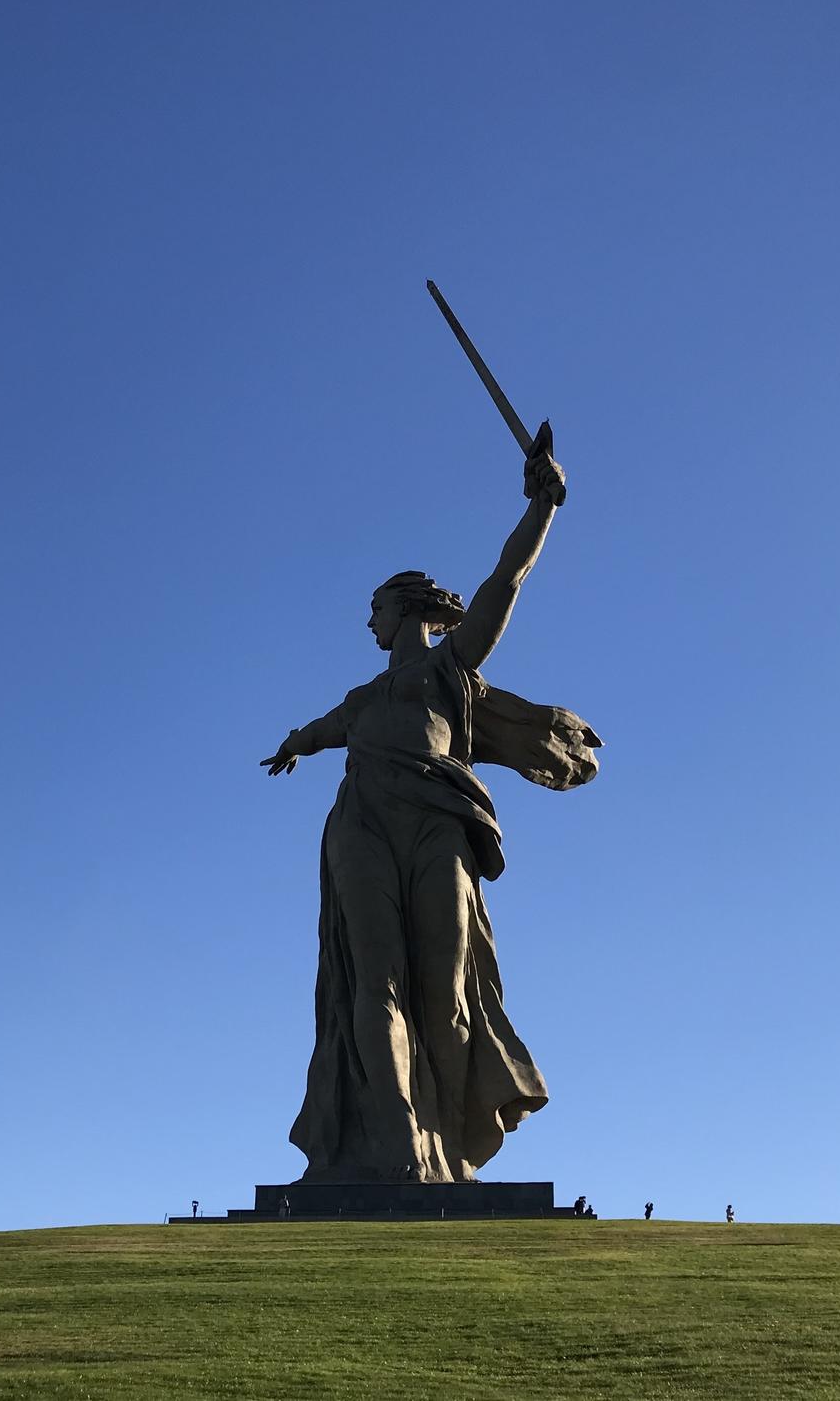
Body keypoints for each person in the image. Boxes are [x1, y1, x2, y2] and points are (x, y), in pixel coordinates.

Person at [263, 433, 596, 1183]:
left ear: (404, 608)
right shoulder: (361, 699)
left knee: (446, 993)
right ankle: (395, 1144)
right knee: (374, 981)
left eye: (374, 609)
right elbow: (324, 729)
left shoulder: (451, 667)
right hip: (362, 826)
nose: (368, 623)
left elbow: (504, 582)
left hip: (436, 825)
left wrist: (542, 506)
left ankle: (444, 1145)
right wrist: (294, 742)